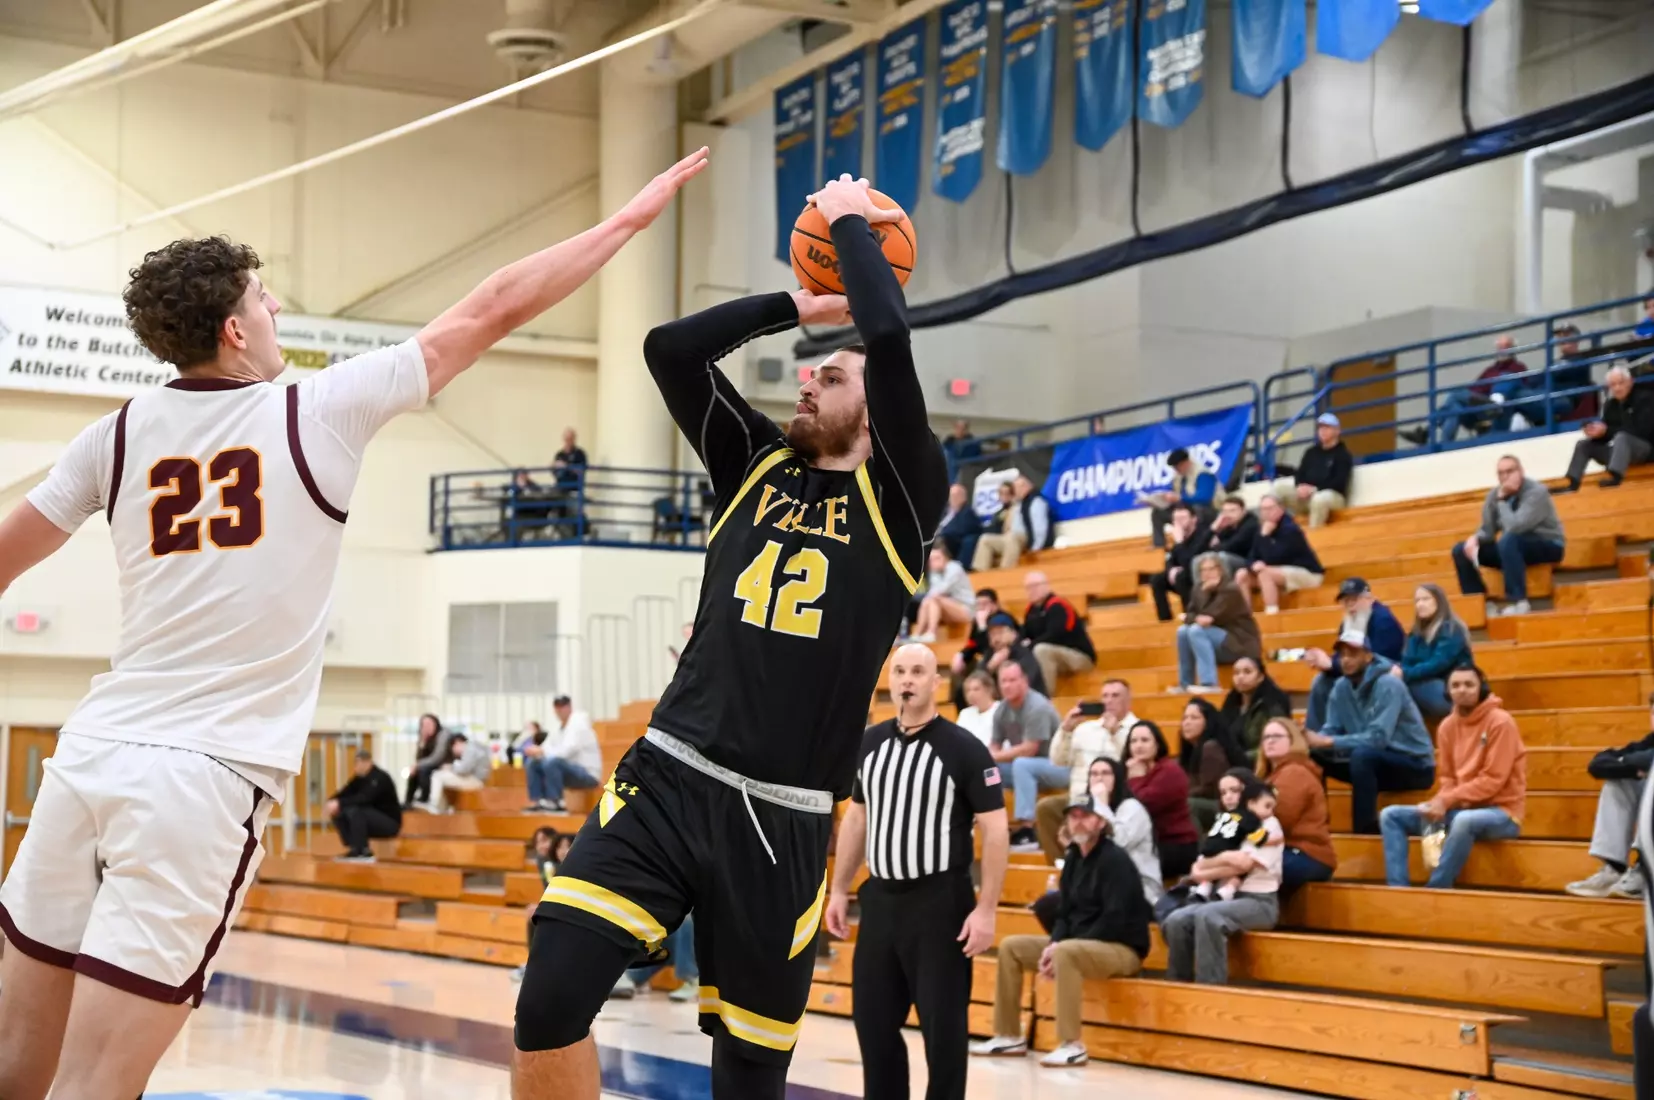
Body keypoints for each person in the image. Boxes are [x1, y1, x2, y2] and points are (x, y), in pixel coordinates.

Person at [0, 148, 704, 1100]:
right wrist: (623, 225)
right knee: (96, 1084)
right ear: (232, 330)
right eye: (263, 296)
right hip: (201, 779)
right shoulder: (315, 409)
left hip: (86, 758)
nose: (277, 307)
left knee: (13, 1070)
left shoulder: (113, 434)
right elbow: (492, 306)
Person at [513, 176, 949, 1100]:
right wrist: (795, 304)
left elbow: (894, 342)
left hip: (783, 815)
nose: (808, 377)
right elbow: (669, 349)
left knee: (748, 1077)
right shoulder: (750, 463)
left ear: (873, 413)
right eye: (807, 368)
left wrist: (851, 228)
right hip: (669, 773)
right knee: (550, 992)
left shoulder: (902, 502)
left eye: (830, 375)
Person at [826, 644, 1009, 1100]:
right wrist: (838, 890)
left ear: (936, 683)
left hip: (940, 904)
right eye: (900, 671)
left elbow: (996, 830)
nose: (908, 679)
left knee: (943, 1032)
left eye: (918, 672)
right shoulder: (869, 743)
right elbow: (857, 819)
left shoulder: (964, 748)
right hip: (881, 903)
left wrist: (986, 910)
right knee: (873, 1024)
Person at [970, 794, 1152, 1068]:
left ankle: (1072, 1044)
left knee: (1066, 952)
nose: (1078, 822)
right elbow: (1064, 914)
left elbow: (1115, 919)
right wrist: (1053, 943)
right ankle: (1008, 1035)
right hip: (1082, 945)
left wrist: (1063, 947)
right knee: (1012, 947)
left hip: (1122, 948)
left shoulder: (1116, 861)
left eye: (1085, 816)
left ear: (1101, 823)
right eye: (1073, 816)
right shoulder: (1074, 859)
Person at [1380, 666, 1526, 889]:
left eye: (1469, 684)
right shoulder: (1447, 726)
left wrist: (1446, 801)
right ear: (1447, 692)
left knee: (1463, 820)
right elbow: (1447, 777)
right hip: (1460, 808)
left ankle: (1437, 888)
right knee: (1391, 815)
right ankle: (1398, 889)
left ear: (1482, 688)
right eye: (1455, 685)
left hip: (1502, 813)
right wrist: (1439, 803)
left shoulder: (1500, 722)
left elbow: (1493, 780)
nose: (1462, 690)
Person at [1305, 631, 1436, 835]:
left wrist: (1327, 741)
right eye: (1342, 654)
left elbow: (1378, 738)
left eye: (1353, 654)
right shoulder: (1340, 688)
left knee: (1362, 756)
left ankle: (1364, 833)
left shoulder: (1388, 684)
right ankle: (1317, 827)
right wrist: (1310, 740)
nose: (1346, 660)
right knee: (1312, 756)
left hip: (1414, 764)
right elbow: (1331, 728)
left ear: (1368, 656)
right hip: (1372, 763)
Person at [1161, 779, 1284, 985]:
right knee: (1176, 920)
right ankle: (1177, 987)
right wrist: (1226, 856)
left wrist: (1211, 865)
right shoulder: (1225, 823)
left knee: (1207, 915)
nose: (1229, 796)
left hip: (1259, 902)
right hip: (1223, 899)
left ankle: (1210, 990)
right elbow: (1198, 870)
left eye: (1235, 790)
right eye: (1224, 792)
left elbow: (1243, 865)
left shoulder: (1268, 823)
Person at [1029, 756, 1164, 928]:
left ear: (1118, 778)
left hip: (1139, 892)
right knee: (1047, 906)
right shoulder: (1085, 815)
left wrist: (1101, 805)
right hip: (1098, 889)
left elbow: (1118, 843)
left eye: (1106, 773)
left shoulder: (1132, 807)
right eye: (1094, 774)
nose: (1099, 778)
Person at [1033, 680, 1139, 860]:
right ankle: (1062, 863)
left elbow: (1132, 765)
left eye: (1115, 696)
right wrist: (1066, 730)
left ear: (1128, 701)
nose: (1109, 701)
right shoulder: (1085, 729)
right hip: (1078, 796)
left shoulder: (1137, 730)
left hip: (1113, 799)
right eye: (1105, 696)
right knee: (1045, 808)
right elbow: (1058, 760)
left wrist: (1115, 734)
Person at [1454, 455, 1565, 618]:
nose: (1505, 477)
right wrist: (1475, 539)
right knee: (1461, 550)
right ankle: (1482, 604)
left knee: (1509, 539)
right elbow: (1488, 531)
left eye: (1510, 471)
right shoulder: (1494, 495)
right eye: (1500, 473)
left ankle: (1518, 601)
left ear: (1520, 471)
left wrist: (1501, 501)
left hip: (1547, 544)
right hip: (1512, 548)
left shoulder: (1537, 492)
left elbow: (1516, 527)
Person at [1567, 694, 1654, 900]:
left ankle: (1645, 868)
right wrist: (1633, 767)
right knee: (1618, 782)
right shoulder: (1649, 742)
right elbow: (1598, 764)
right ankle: (1614, 868)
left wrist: (1630, 762)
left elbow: (1643, 759)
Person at [1302, 578, 1406, 735]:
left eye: (1354, 599)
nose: (1350, 605)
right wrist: (1324, 661)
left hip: (1380, 675)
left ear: (1369, 598)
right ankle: (1315, 737)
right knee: (1321, 681)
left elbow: (1378, 661)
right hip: (1357, 673)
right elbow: (1342, 655)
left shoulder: (1383, 621)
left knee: (1333, 683)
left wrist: (1332, 664)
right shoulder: (1349, 622)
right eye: (1345, 601)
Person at [1254, 718, 1337, 894]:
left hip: (1307, 853)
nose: (1270, 740)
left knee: (1245, 870)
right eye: (1266, 736)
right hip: (1284, 850)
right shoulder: (1271, 775)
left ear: (1293, 740)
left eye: (1277, 736)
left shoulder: (1295, 772)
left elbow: (1280, 819)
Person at [990, 661, 1064, 852]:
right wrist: (989, 757)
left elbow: (1029, 749)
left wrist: (995, 755)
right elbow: (995, 743)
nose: (1007, 685)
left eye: (1012, 680)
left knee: (1022, 764)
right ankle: (995, 825)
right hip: (1029, 769)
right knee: (988, 771)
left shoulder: (1037, 706)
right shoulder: (1002, 709)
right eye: (1003, 681)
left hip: (1059, 765)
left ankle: (1027, 831)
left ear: (1024, 681)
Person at [1558, 365, 1654, 492]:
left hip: (1645, 450)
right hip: (1621, 452)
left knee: (1622, 438)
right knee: (1584, 445)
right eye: (1613, 385)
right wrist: (1596, 433)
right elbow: (1607, 434)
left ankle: (1615, 477)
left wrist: (1607, 431)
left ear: (1630, 381)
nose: (1618, 388)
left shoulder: (1645, 398)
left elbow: (1643, 431)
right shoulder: (1610, 405)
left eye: (1621, 383)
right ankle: (1572, 484)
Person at [1176, 554, 1262, 693]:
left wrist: (1190, 618)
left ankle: (1209, 684)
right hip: (1215, 641)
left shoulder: (1230, 589)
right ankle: (1185, 684)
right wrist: (1190, 617)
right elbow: (1191, 614)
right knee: (1182, 632)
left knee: (1195, 630)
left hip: (1239, 643)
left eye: (1212, 569)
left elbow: (1208, 618)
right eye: (1203, 570)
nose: (1208, 573)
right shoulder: (1199, 589)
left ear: (1220, 570)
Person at [1124, 722, 1200, 878]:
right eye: (1134, 741)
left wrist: (1136, 779)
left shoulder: (1170, 771)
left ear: (1157, 744)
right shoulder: (1127, 770)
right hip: (1144, 843)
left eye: (1145, 740)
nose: (1138, 746)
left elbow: (1141, 807)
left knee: (1121, 864)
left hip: (1175, 846)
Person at [1237, 494, 1325, 614]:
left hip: (1307, 573)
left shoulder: (1290, 529)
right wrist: (1253, 564)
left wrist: (1265, 536)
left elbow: (1275, 558)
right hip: (1279, 573)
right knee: (1241, 575)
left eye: (1270, 508)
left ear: (1281, 509)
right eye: (1263, 509)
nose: (1266, 512)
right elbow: (1251, 556)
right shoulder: (1262, 528)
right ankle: (1245, 615)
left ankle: (1272, 612)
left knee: (1264, 572)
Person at [1398, 583, 1473, 721]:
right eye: (1417, 600)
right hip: (1424, 686)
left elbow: (1437, 665)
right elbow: (1407, 660)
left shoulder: (1452, 629)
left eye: (1426, 599)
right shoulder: (1415, 633)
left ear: (1439, 601)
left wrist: (1404, 674)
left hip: (1450, 689)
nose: (1420, 604)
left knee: (1400, 686)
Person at [1180, 699, 1251, 834]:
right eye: (1184, 718)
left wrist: (1179, 796)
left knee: (1187, 806)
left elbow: (1211, 790)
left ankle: (1200, 851)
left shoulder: (1210, 748)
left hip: (1225, 805)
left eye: (1194, 718)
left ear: (1208, 722)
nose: (1187, 723)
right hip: (1212, 805)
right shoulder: (1191, 750)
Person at [1269, 412, 1352, 528]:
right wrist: (1300, 487)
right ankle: (1272, 534)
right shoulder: (1311, 452)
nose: (1322, 431)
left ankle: (1314, 538)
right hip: (1307, 497)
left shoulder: (1343, 455)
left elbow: (1339, 483)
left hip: (1333, 497)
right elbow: (1299, 474)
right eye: (1320, 427)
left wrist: (1314, 489)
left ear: (1337, 431)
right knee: (1277, 490)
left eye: (1327, 427)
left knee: (1319, 499)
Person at [1020, 571, 1096, 696]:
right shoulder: (1030, 611)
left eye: (1035, 586)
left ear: (1046, 586)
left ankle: (1044, 697)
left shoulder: (1058, 605)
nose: (1031, 591)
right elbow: (1024, 635)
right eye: (1028, 587)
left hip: (1080, 657)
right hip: (1057, 657)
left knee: (1041, 650)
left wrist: (1030, 645)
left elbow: (1055, 635)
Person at [524, 695, 602, 812]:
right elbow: (547, 746)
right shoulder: (557, 727)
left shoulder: (579, 724)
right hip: (566, 771)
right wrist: (536, 750)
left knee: (552, 762)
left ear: (569, 707)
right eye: (557, 707)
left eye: (563, 706)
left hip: (587, 774)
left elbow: (567, 751)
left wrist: (542, 751)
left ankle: (556, 801)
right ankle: (539, 800)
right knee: (533, 763)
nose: (560, 710)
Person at [512, 829, 570, 983]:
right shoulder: (544, 862)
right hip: (560, 908)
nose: (542, 846)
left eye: (545, 840)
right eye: (538, 842)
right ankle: (536, 966)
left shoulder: (573, 866)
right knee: (534, 918)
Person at [328, 749, 403, 863]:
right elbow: (345, 792)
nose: (356, 767)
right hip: (370, 821)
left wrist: (340, 803)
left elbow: (365, 798)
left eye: (358, 763)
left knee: (357, 810)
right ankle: (353, 847)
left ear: (367, 762)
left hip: (389, 822)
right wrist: (333, 802)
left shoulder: (380, 777)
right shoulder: (359, 779)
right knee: (341, 811)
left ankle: (363, 851)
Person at [1144, 447, 1218, 548]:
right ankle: (1159, 544)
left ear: (1186, 462)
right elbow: (1174, 495)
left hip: (1210, 510)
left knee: (1197, 509)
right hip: (1187, 509)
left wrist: (1180, 499)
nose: (1176, 470)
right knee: (1158, 512)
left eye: (1178, 467)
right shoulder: (1178, 478)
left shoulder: (1203, 474)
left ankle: (1200, 540)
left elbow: (1205, 498)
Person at [948, 589, 1010, 705]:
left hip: (998, 660)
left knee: (981, 662)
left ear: (995, 605)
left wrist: (982, 627)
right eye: (978, 604)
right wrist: (961, 655)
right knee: (958, 662)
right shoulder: (978, 621)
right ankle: (955, 702)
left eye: (985, 604)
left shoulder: (1003, 620)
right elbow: (973, 644)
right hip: (983, 660)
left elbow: (990, 648)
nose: (981, 608)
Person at [1220, 656, 1292, 755]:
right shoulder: (1231, 703)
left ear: (1260, 677)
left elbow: (1274, 743)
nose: (1240, 677)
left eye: (1247, 672)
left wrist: (1239, 758)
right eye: (1236, 673)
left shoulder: (1272, 704)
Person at [1149, 503, 1204, 622]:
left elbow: (1190, 563)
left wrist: (1179, 542)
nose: (1178, 523)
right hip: (1183, 577)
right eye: (1175, 520)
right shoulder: (1178, 537)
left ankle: (1190, 616)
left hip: (1199, 576)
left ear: (1194, 519)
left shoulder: (1202, 537)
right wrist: (1171, 570)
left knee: (1181, 577)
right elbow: (1170, 559)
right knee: (1157, 579)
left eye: (1182, 519)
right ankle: (1165, 620)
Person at [910, 545, 974, 643]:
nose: (933, 562)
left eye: (937, 558)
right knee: (929, 600)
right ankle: (917, 634)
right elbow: (931, 594)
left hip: (966, 609)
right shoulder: (935, 573)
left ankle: (931, 632)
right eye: (931, 560)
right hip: (948, 608)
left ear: (945, 558)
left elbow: (940, 590)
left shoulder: (954, 568)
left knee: (934, 598)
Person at [981, 611, 1047, 697]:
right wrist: (990, 667)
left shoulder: (1024, 654)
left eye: (1000, 632)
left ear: (1014, 634)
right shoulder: (989, 655)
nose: (996, 638)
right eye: (992, 634)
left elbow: (1025, 685)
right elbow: (976, 682)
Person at [406, 712, 452, 809]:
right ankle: (408, 801)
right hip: (430, 764)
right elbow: (419, 758)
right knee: (413, 773)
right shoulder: (424, 736)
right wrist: (423, 742)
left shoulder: (443, 734)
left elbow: (438, 757)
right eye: (424, 725)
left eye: (430, 724)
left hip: (444, 763)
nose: (427, 727)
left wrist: (418, 765)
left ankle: (425, 798)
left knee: (423, 770)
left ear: (436, 724)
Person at [934, 483, 983, 567]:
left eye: (956, 495)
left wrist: (943, 533)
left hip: (952, 540)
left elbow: (962, 529)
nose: (952, 499)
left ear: (963, 497)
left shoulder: (967, 512)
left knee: (939, 540)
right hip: (939, 536)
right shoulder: (945, 512)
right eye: (951, 496)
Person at [955, 670, 1000, 747]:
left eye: (976, 689)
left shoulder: (1001, 709)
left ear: (989, 689)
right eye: (968, 690)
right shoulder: (965, 713)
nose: (971, 694)